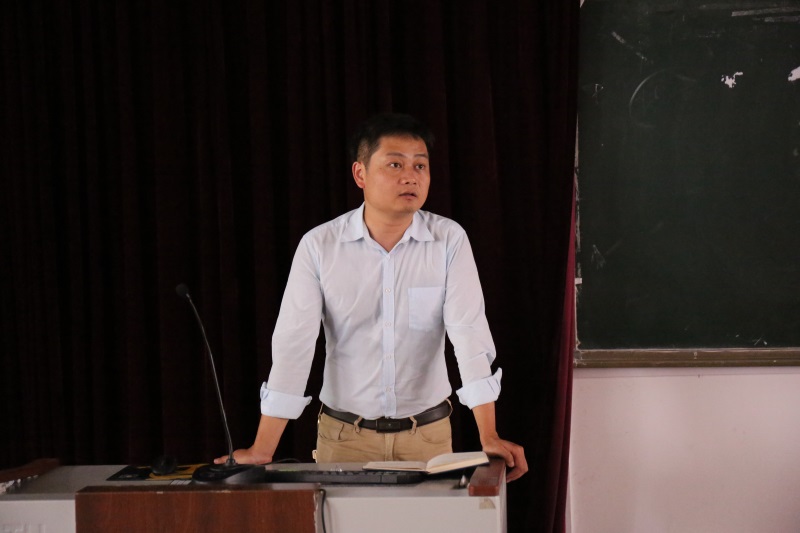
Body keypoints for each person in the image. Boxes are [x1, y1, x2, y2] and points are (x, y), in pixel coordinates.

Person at [215, 113, 527, 482]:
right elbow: (293, 346)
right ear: (360, 174)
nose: (410, 176)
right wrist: (263, 448)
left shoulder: (448, 240)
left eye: (420, 165)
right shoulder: (320, 246)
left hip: (427, 436)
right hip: (344, 438)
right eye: (395, 164)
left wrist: (488, 435)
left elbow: (469, 335)